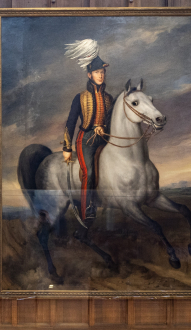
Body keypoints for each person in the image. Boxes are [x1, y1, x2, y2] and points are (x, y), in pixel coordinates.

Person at [63, 39, 115, 222]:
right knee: (89, 173)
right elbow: (70, 123)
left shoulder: (109, 98)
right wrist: (67, 148)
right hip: (85, 140)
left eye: (102, 72)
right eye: (96, 72)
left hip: (104, 138)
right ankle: (87, 210)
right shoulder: (80, 97)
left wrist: (104, 128)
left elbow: (111, 121)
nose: (100, 75)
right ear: (89, 75)